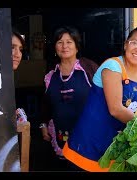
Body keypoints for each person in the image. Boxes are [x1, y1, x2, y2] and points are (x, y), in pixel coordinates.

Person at [63, 26, 137, 172]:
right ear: (125, 44)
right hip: (89, 142)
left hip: (112, 146)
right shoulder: (113, 66)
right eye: (134, 42)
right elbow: (116, 110)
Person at [39, 26, 99, 171]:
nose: (64, 46)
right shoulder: (50, 75)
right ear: (55, 47)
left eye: (69, 42)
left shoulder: (89, 68)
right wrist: (43, 125)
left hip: (88, 136)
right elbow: (46, 104)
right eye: (60, 42)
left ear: (77, 46)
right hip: (60, 134)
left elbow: (105, 97)